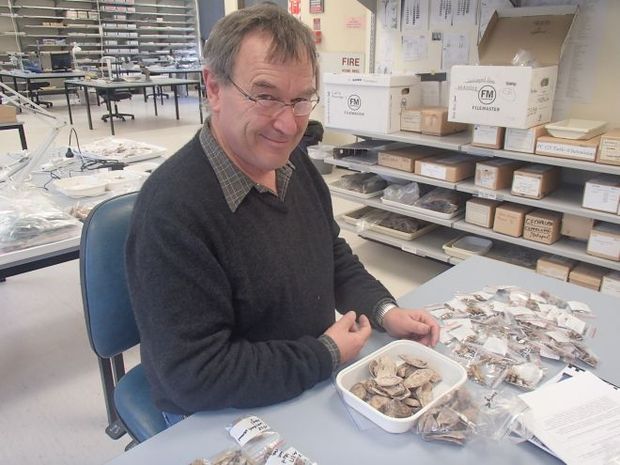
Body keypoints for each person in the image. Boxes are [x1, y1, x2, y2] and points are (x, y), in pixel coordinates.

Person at [125, 2, 440, 424]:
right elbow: (192, 375)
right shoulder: (170, 212)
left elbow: (331, 255)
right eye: (266, 97)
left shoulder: (292, 164)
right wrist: (323, 354)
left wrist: (384, 311)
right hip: (219, 411)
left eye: (301, 100)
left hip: (300, 378)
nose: (289, 126)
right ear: (214, 88)